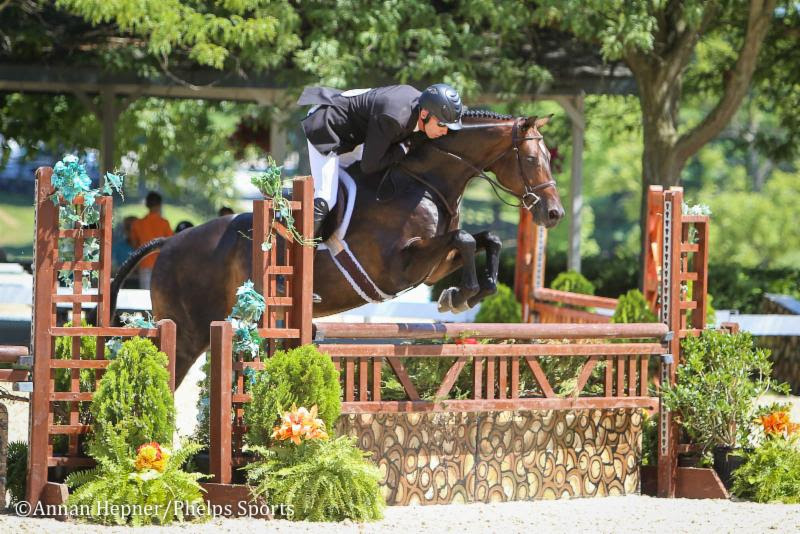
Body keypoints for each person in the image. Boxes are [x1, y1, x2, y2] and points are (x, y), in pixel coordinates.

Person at [297, 83, 464, 233]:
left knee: (355, 185)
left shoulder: (421, 106)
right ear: (425, 114)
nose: (444, 131)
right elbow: (369, 165)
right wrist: (403, 148)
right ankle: (302, 250)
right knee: (327, 197)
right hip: (328, 127)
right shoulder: (395, 118)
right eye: (442, 124)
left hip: (354, 135)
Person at [130, 192, 173, 289]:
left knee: (145, 294)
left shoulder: (138, 224)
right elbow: (170, 244)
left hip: (144, 262)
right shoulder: (164, 223)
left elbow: (134, 244)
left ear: (147, 205)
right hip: (161, 264)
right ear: (159, 205)